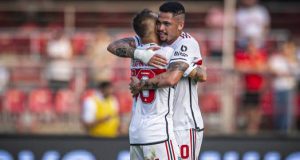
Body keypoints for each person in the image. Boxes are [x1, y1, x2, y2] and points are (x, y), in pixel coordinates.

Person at [108, 2, 206, 160]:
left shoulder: (185, 43)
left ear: (180, 25)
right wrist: (141, 54)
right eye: (159, 23)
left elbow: (189, 76)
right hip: (160, 127)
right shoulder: (152, 44)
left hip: (184, 125)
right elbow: (113, 45)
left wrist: (141, 84)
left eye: (166, 24)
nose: (161, 28)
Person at [110, 9, 181, 160]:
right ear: (156, 28)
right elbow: (198, 73)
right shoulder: (168, 52)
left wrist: (140, 54)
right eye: (159, 22)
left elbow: (112, 46)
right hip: (158, 133)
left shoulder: (135, 51)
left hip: (136, 133)